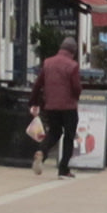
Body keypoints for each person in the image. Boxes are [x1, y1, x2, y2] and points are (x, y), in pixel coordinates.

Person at [29, 36, 82, 178]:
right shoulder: (72, 65)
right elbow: (76, 87)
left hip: (51, 105)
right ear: (73, 52)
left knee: (54, 132)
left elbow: (38, 84)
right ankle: (63, 168)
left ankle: (42, 152)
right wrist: (76, 97)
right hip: (68, 106)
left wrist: (34, 102)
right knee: (69, 136)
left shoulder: (47, 63)